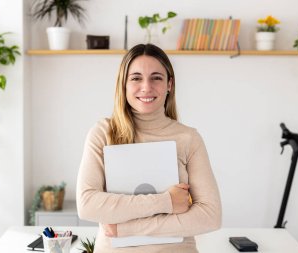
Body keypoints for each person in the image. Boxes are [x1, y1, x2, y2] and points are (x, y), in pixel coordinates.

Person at [76, 44, 221, 253]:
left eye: (156, 77)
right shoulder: (103, 133)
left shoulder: (189, 138)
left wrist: (126, 228)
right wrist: (166, 202)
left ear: (169, 84)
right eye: (136, 78)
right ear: (123, 84)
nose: (146, 87)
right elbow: (87, 204)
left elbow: (210, 216)